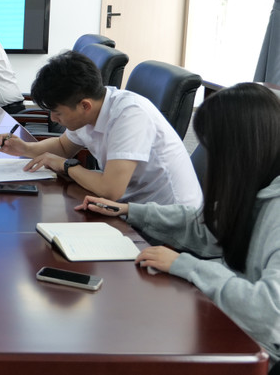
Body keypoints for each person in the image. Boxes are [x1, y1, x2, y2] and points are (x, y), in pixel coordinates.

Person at [75, 83, 280, 369]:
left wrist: (186, 265)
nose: (213, 159)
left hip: (258, 349)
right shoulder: (257, 183)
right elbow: (207, 229)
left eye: (215, 149)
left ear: (240, 149)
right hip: (228, 319)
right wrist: (131, 211)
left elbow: (268, 313)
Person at [0, 51, 202, 207]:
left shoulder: (129, 115)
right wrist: (24, 148)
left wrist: (65, 166)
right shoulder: (90, 110)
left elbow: (110, 190)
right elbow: (63, 147)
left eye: (57, 113)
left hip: (170, 221)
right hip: (130, 205)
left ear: (85, 105)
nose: (53, 118)